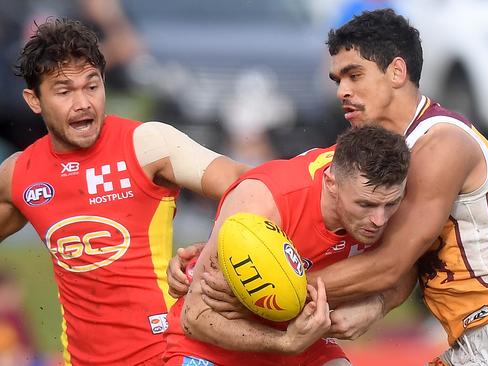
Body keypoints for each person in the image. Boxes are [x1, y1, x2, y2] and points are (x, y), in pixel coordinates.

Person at [310, 9, 488, 365]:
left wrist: (280, 287)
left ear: (397, 72)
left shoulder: (440, 143)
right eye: (338, 79)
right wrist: (376, 306)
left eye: (354, 75)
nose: (342, 91)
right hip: (473, 342)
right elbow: (408, 266)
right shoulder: (389, 151)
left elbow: (391, 262)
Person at [0, 18, 247, 366]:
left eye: (92, 86)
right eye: (64, 90)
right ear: (34, 100)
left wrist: (215, 247)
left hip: (169, 354)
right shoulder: (19, 174)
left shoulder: (147, 144)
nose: (83, 102)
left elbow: (248, 184)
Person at [163, 125, 413, 365]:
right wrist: (285, 342)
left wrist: (377, 306)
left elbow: (410, 265)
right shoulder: (263, 201)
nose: (379, 220)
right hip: (216, 348)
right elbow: (194, 318)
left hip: (304, 342)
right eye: (365, 205)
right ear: (331, 183)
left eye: (391, 204)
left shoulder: (395, 189)